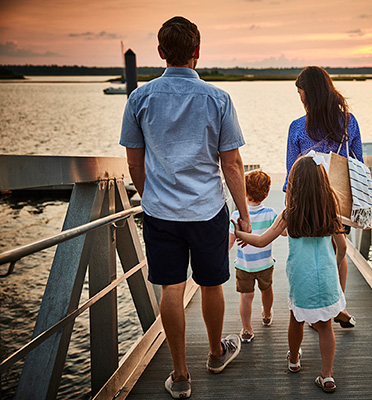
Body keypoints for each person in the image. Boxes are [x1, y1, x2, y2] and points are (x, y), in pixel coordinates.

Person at [119, 16, 251, 399]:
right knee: (212, 283)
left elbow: (133, 164)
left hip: (161, 213)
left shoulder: (139, 98)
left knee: (170, 287)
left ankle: (180, 375)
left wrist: (151, 197)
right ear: (197, 52)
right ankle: (214, 353)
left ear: (161, 53)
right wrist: (243, 211)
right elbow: (231, 164)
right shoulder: (218, 99)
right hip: (208, 210)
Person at [233, 155, 346, 393]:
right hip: (326, 277)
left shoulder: (289, 214)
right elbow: (343, 247)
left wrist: (241, 235)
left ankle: (294, 361)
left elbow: (263, 241)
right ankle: (327, 376)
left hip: (301, 279)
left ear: (295, 184)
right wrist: (334, 265)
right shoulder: (330, 210)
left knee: (297, 320)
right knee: (325, 326)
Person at [284, 66, 362, 328]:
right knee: (339, 252)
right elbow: (358, 163)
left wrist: (289, 211)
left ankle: (320, 312)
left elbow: (291, 174)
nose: (300, 97)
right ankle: (337, 306)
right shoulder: (348, 122)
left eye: (300, 92)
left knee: (312, 258)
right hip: (338, 201)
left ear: (309, 93)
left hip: (308, 205)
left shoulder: (297, 127)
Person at [228, 170, 279, 343]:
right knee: (267, 290)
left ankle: (247, 330)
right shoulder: (271, 213)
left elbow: (229, 243)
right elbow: (285, 233)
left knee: (245, 297)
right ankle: (266, 315)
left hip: (244, 265)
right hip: (265, 263)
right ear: (266, 193)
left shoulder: (236, 216)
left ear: (244, 191)